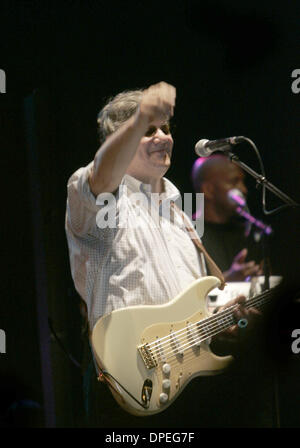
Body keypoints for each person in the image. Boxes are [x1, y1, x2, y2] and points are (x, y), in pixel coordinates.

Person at [65, 82, 264, 428]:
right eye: (147, 131)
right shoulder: (98, 203)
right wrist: (142, 114)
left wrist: (226, 318)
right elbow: (99, 175)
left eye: (165, 129)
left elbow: (194, 308)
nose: (162, 137)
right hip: (129, 387)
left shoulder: (181, 217)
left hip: (191, 387)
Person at [191, 155, 264, 282]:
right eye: (234, 181)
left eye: (242, 182)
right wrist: (226, 280)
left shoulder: (249, 231)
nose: (244, 189)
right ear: (208, 190)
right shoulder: (188, 234)